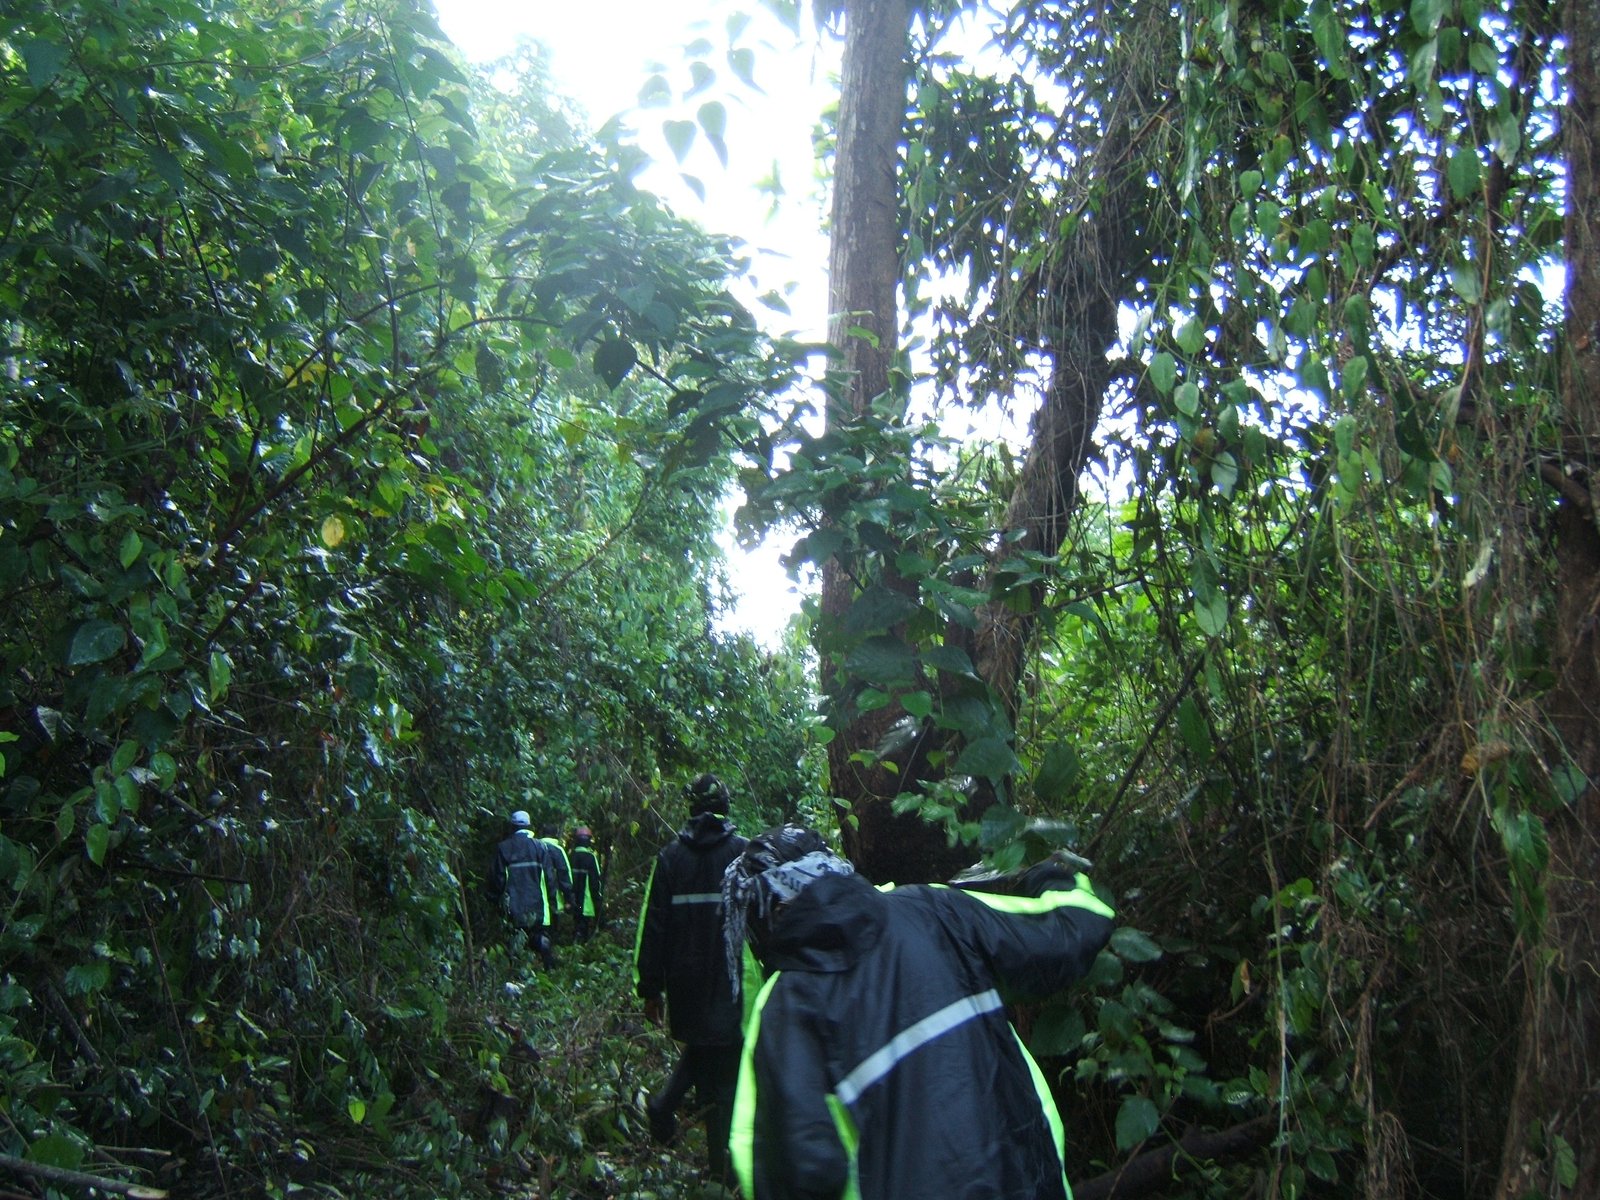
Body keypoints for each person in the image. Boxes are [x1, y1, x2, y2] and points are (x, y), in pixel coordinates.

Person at [722, 825, 1116, 1200]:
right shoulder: (933, 908)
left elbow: (792, 1169)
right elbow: (1068, 934)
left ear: (764, 913)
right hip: (1028, 1181)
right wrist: (1053, 880)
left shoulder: (784, 1005)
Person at [633, 772, 748, 1183]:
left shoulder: (669, 859)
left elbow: (654, 928)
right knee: (722, 1069)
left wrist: (650, 989)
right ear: (725, 806)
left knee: (706, 1048)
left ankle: (665, 1107)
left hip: (684, 983)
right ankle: (722, 1172)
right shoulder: (743, 855)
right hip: (729, 981)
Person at [486, 810, 557, 972]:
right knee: (540, 939)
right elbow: (549, 877)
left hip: (513, 908)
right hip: (538, 907)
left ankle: (517, 975)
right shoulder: (540, 847)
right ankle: (549, 972)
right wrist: (552, 902)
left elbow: (497, 879)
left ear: (512, 826)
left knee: (515, 944)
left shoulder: (503, 848)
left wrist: (494, 899)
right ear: (529, 826)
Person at [538, 822, 575, 941]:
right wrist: (569, 898)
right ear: (555, 835)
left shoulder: (534, 847)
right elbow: (564, 873)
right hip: (554, 896)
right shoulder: (557, 850)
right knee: (552, 927)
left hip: (534, 895)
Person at [568, 825, 605, 943]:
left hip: (573, 898)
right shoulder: (590, 857)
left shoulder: (571, 856)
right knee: (584, 923)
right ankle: (581, 944)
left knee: (577, 920)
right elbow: (596, 879)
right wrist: (597, 896)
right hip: (586, 900)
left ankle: (575, 942)